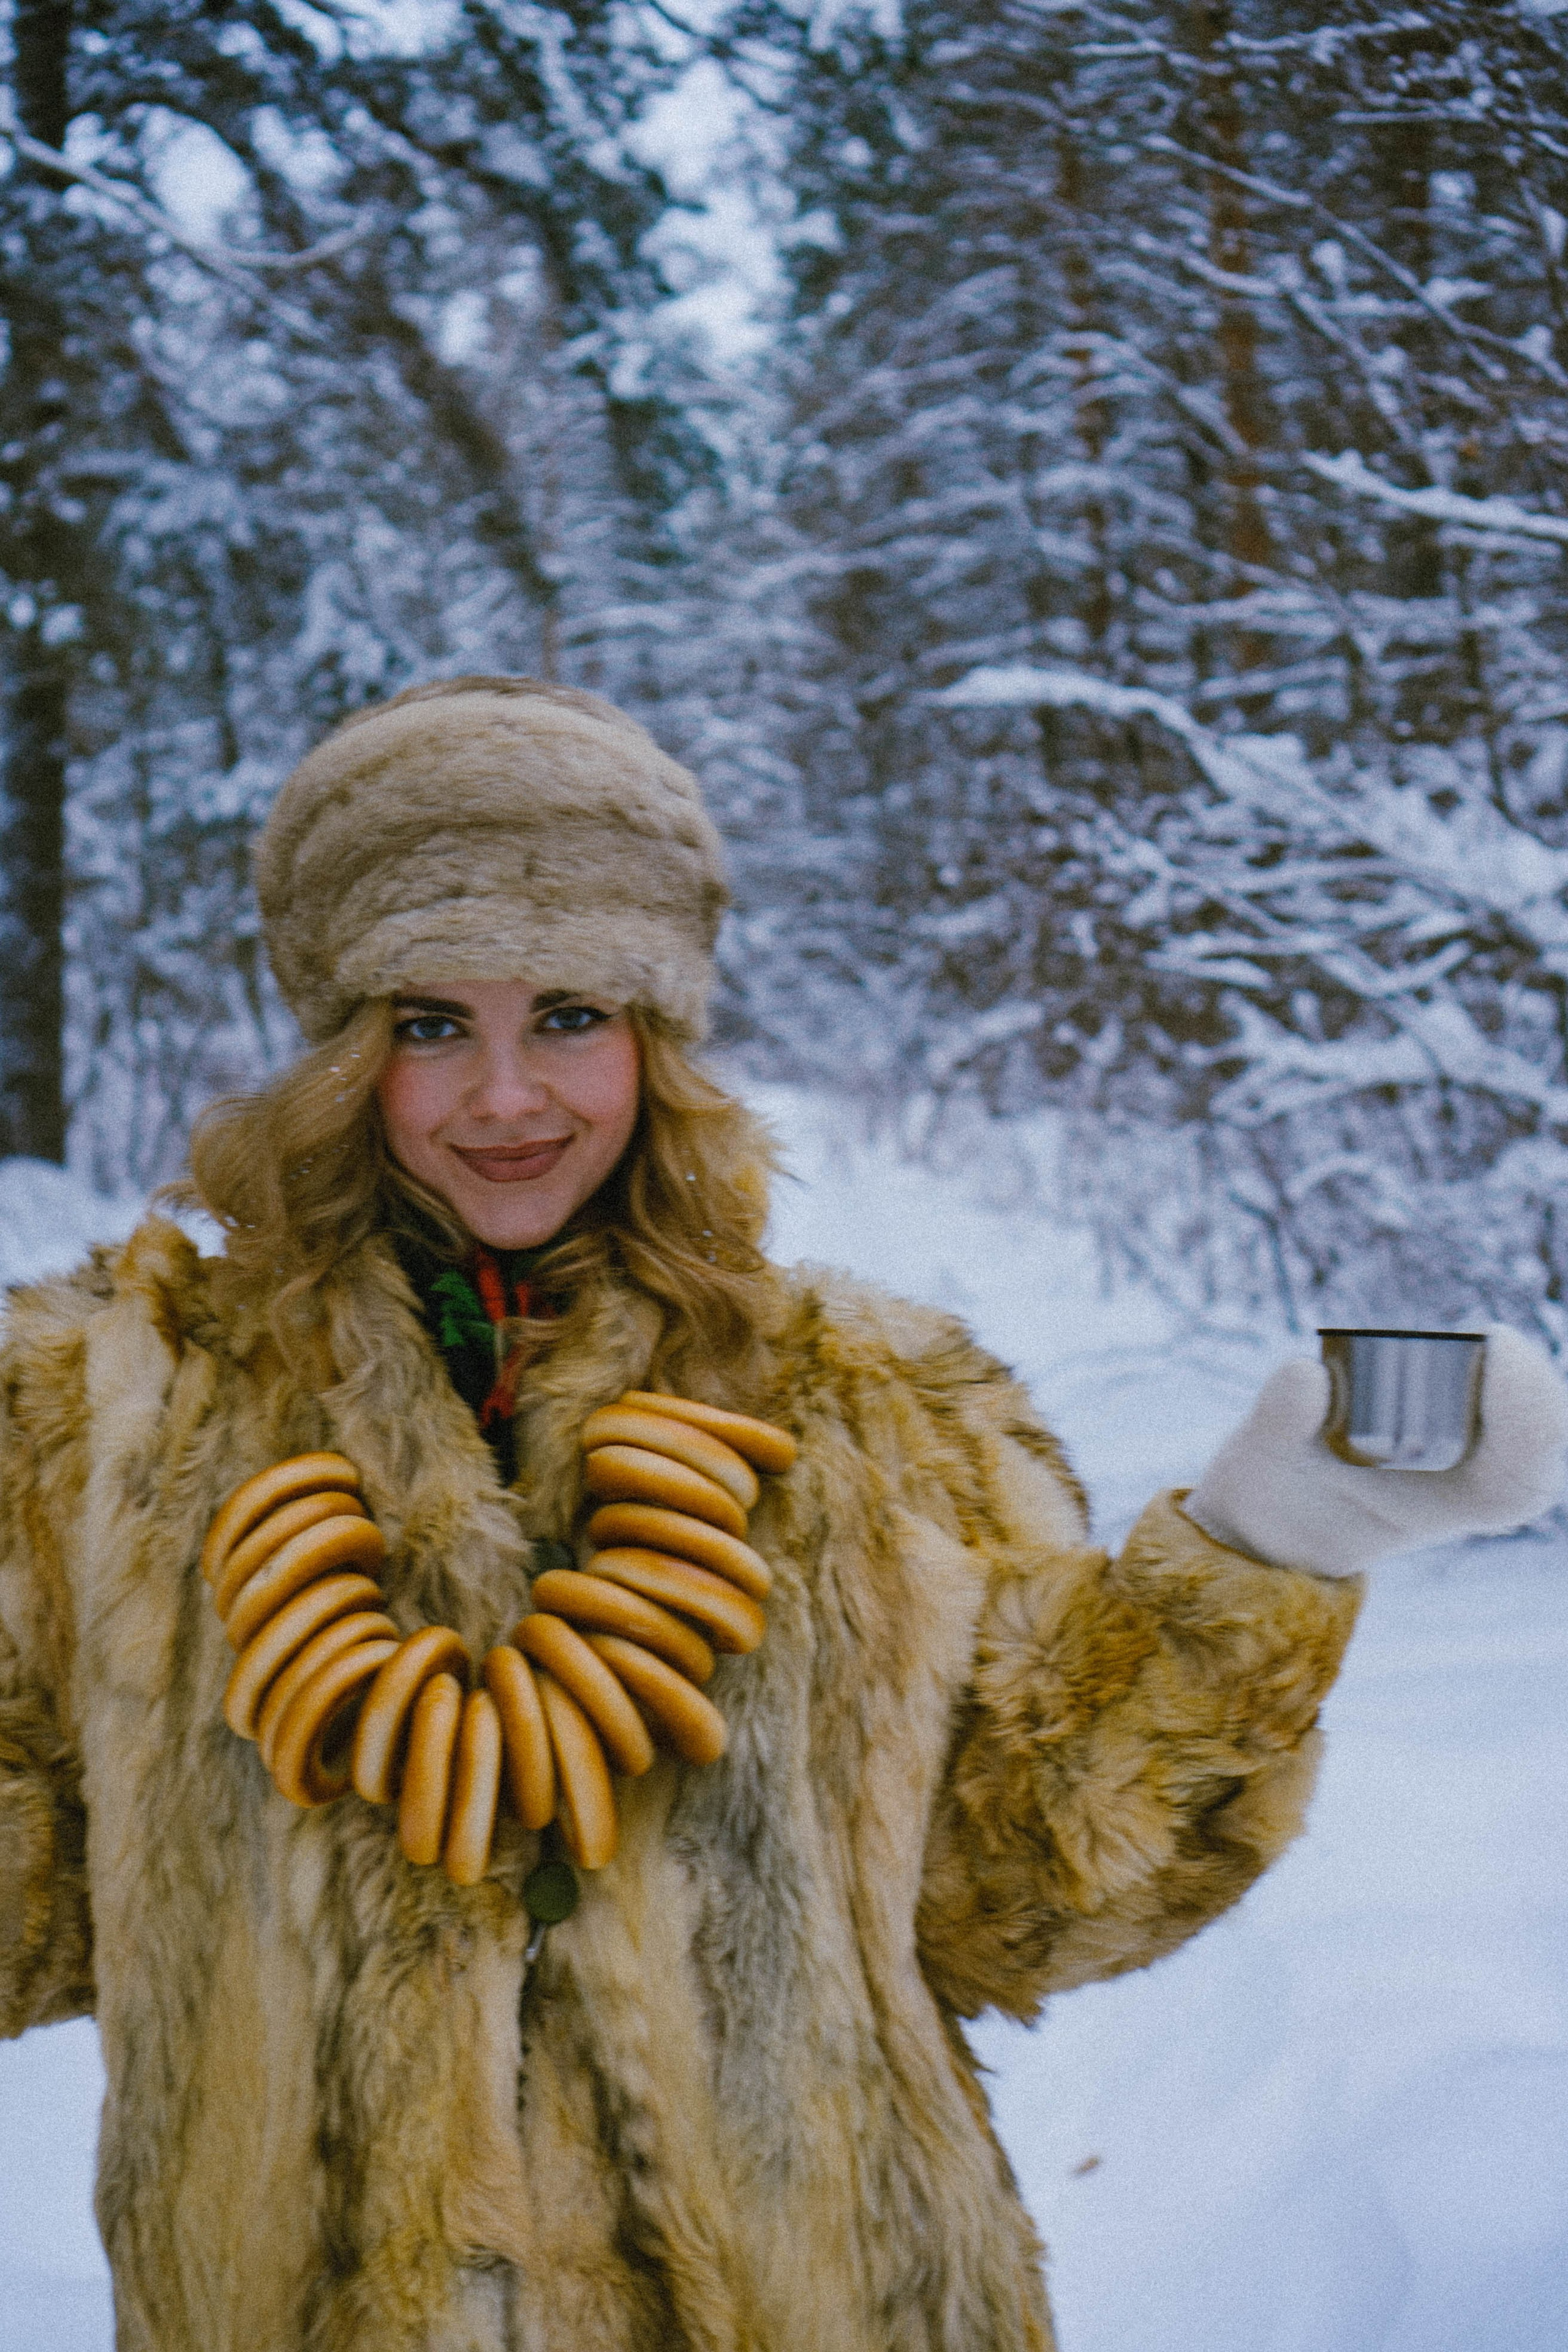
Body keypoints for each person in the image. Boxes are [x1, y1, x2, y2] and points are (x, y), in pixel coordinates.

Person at [1, 676, 1562, 2352]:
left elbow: (1024, 1894)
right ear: (342, 1049)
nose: (507, 1097)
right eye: (431, 1025)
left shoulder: (872, 1405)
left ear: (660, 1036)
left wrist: (1275, 1544)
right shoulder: (107, 1420)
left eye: (573, 1017)